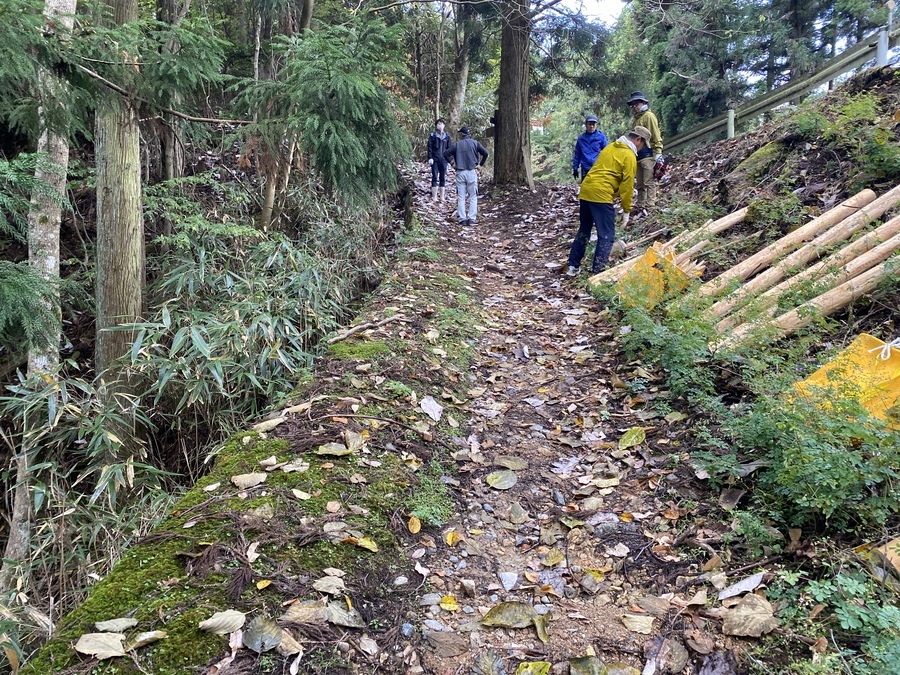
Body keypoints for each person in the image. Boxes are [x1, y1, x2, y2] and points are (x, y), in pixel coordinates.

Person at [565, 126, 650, 276]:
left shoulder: (610, 147)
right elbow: (627, 186)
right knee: (606, 235)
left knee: (584, 229)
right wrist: (627, 211)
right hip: (601, 194)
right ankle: (598, 272)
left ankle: (573, 266)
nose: (642, 149)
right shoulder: (629, 156)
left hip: (586, 190)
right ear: (638, 140)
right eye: (643, 145)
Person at [626, 91, 664, 216]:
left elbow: (656, 134)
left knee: (649, 181)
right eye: (633, 105)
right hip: (638, 155)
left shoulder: (649, 116)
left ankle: (650, 204)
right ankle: (640, 204)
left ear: (643, 103)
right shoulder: (636, 120)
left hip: (648, 153)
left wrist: (658, 151)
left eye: (636, 104)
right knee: (640, 183)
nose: (634, 107)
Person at [444, 126, 489, 226]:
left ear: (461, 134)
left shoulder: (457, 145)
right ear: (469, 134)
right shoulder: (475, 143)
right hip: (472, 172)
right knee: (473, 196)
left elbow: (446, 153)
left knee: (461, 197)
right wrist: (480, 165)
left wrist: (452, 163)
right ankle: (472, 218)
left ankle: (462, 219)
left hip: (460, 172)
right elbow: (485, 153)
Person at [571, 114, 607, 181]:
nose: (591, 126)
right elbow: (577, 154)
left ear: (596, 125)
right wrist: (575, 168)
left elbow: (606, 152)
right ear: (586, 125)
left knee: (597, 186)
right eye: (590, 124)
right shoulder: (581, 138)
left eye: (593, 124)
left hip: (597, 168)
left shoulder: (601, 137)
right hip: (585, 168)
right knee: (585, 186)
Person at [427, 118, 452, 202]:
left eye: (441, 123)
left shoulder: (447, 136)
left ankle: (442, 197)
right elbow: (429, 147)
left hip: (444, 160)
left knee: (443, 177)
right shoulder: (432, 136)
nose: (440, 125)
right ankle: (434, 197)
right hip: (435, 160)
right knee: (434, 177)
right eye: (438, 123)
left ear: (444, 125)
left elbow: (449, 148)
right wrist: (430, 157)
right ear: (436, 126)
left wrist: (449, 159)